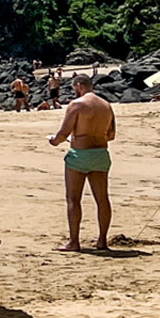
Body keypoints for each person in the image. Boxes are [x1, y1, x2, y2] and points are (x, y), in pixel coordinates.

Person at [49, 75, 116, 251]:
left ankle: (74, 242)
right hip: (100, 154)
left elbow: (63, 133)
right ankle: (102, 240)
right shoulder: (106, 106)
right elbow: (111, 135)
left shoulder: (77, 105)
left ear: (78, 86)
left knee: (73, 199)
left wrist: (53, 141)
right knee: (102, 199)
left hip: (80, 155)